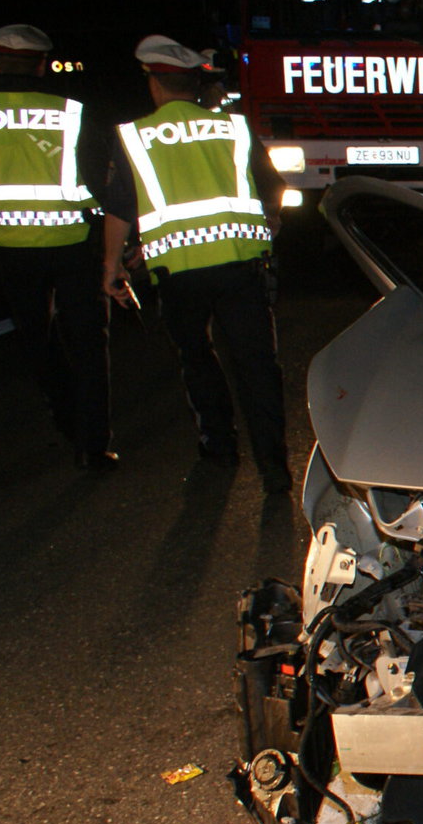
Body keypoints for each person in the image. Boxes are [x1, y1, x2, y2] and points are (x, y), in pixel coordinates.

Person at [101, 34, 290, 492]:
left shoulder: (135, 136)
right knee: (257, 365)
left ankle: (220, 448)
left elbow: (120, 209)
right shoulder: (234, 128)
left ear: (154, 84)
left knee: (197, 359)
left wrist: (111, 267)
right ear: (194, 84)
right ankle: (274, 467)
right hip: (241, 267)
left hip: (177, 271)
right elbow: (273, 188)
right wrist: (269, 224)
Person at [0, 23, 125, 470]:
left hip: (7, 245)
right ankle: (93, 444)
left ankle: (66, 416)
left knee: (36, 341)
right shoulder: (72, 111)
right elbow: (101, 182)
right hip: (73, 244)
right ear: (42, 65)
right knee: (88, 343)